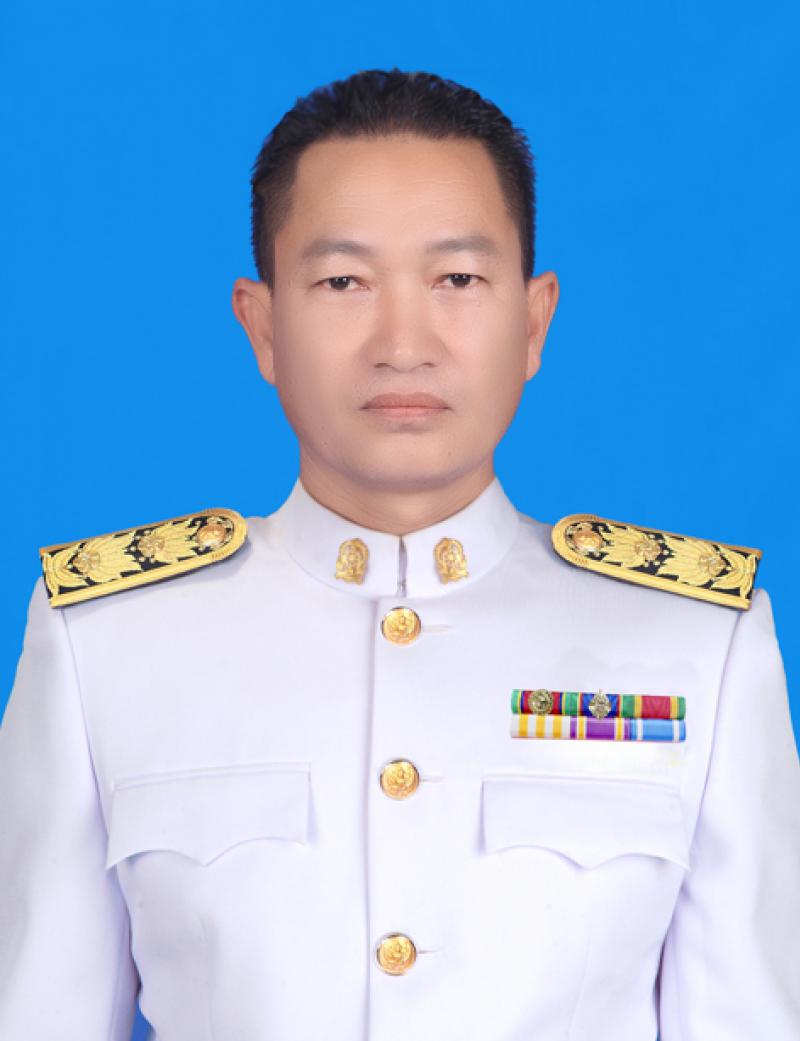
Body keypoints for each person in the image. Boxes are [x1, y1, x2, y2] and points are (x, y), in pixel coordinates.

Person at [1, 66, 798, 1041]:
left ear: (533, 320)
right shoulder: (105, 642)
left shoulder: (695, 644)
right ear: (262, 325)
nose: (403, 344)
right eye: (343, 282)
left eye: (456, 279)